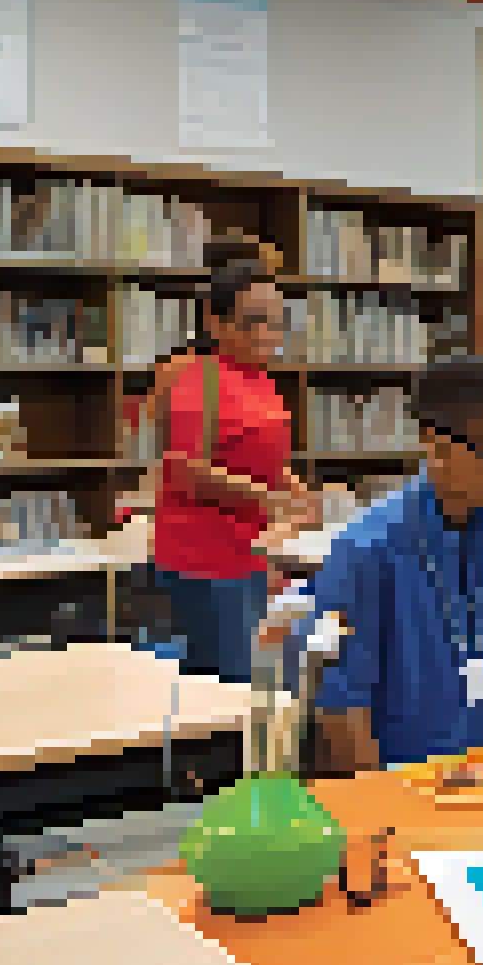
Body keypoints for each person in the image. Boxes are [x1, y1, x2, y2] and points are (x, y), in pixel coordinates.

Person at [303, 356, 483, 773]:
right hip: (399, 772)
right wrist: (386, 815)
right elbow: (342, 707)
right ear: (438, 448)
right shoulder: (366, 550)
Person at [151, 239, 318, 685]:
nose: (266, 335)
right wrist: (270, 497)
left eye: (276, 325)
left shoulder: (262, 380)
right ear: (216, 323)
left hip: (256, 553)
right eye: (253, 324)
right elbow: (185, 470)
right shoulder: (197, 379)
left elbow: (258, 453)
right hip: (207, 558)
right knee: (236, 684)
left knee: (271, 674)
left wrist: (291, 484)